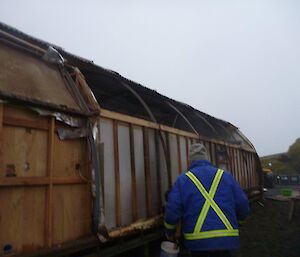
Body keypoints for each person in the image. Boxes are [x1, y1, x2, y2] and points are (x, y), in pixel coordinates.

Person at [164, 143, 249, 257]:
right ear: (207, 158)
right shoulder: (225, 176)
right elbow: (242, 204)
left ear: (191, 160)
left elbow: (172, 211)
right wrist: (239, 222)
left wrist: (170, 232)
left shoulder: (183, 180)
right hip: (225, 240)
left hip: (197, 244)